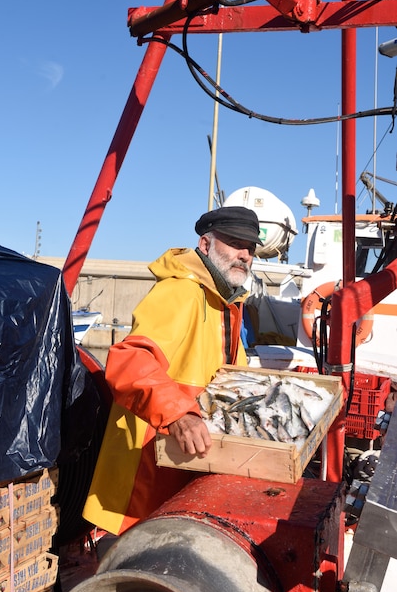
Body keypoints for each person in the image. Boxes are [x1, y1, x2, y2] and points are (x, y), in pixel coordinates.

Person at [83, 205, 263, 535]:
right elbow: (130, 362)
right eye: (235, 243)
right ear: (206, 245)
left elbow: (234, 380)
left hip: (186, 471)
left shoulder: (228, 304)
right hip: (146, 478)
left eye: (250, 247)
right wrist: (180, 415)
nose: (244, 255)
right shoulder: (180, 291)